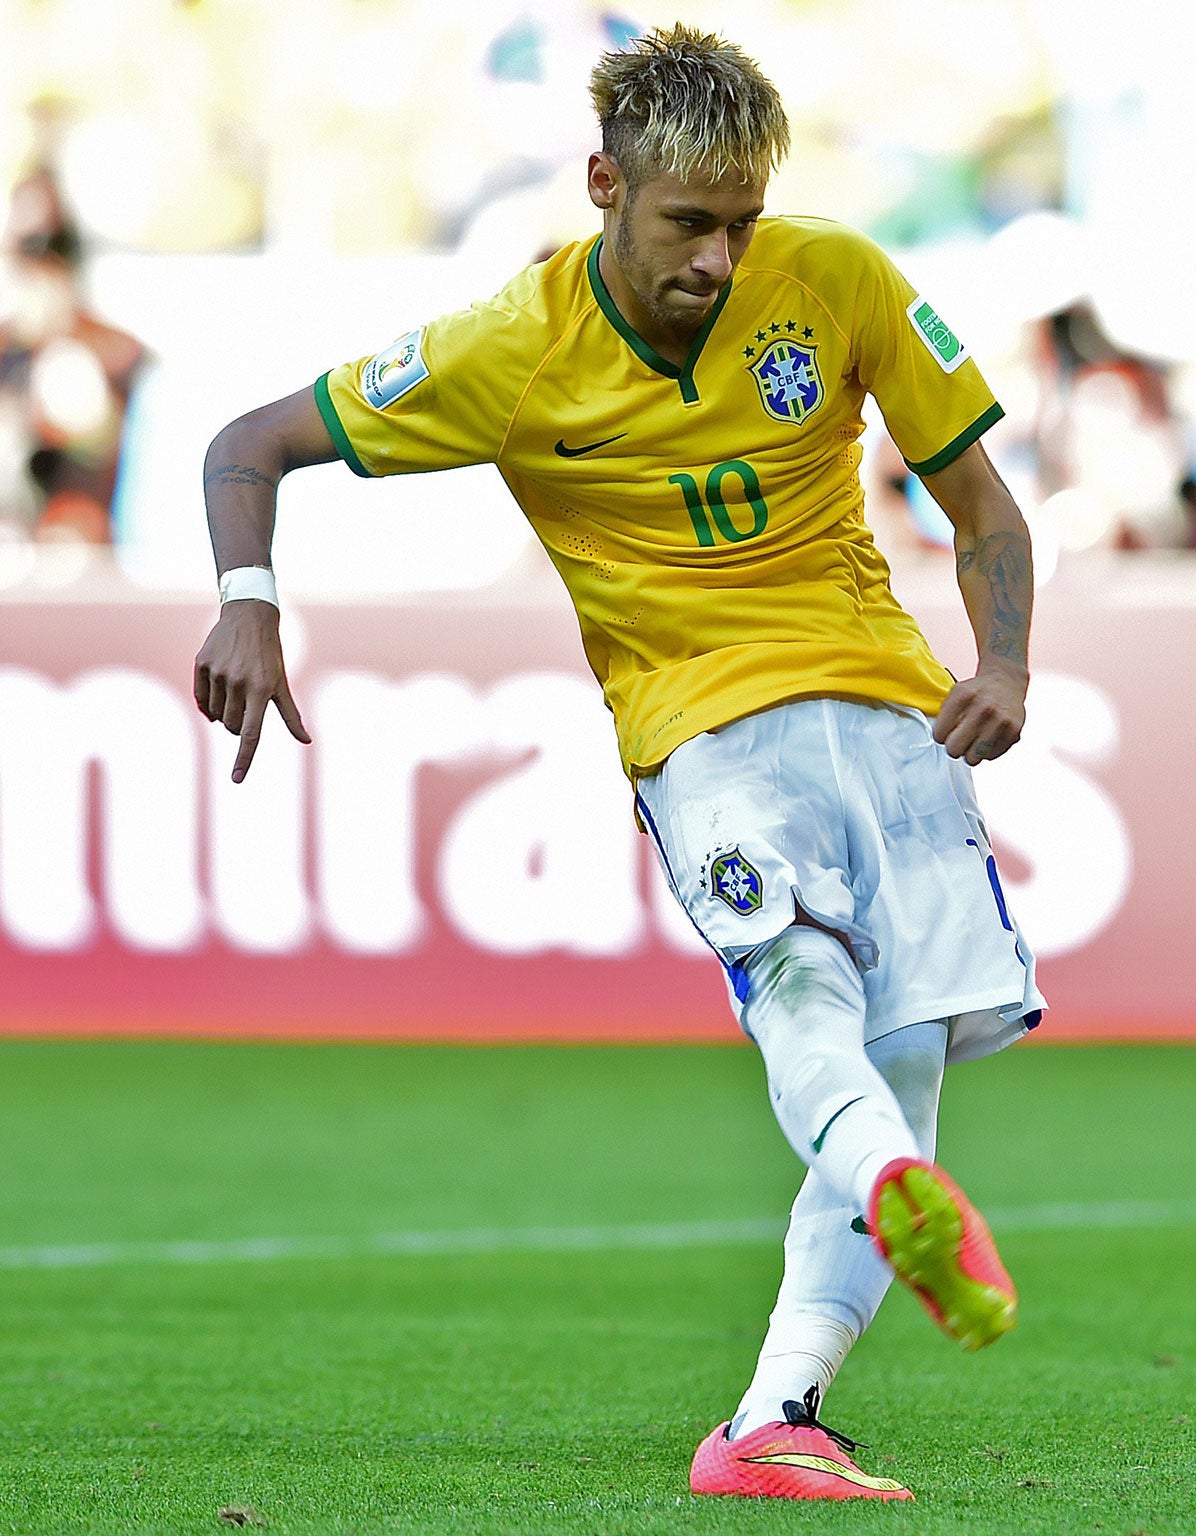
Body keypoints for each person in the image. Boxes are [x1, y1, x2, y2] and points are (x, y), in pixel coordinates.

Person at [190, 26, 1042, 1503]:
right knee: (804, 997)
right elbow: (247, 445)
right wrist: (250, 606)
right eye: (686, 224)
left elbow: (984, 510)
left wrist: (1007, 667)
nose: (718, 259)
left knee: (892, 1059)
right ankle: (885, 1192)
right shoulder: (509, 349)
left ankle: (780, 1415)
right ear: (602, 184)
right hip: (703, 737)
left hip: (891, 715)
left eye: (740, 223)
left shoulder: (837, 278)